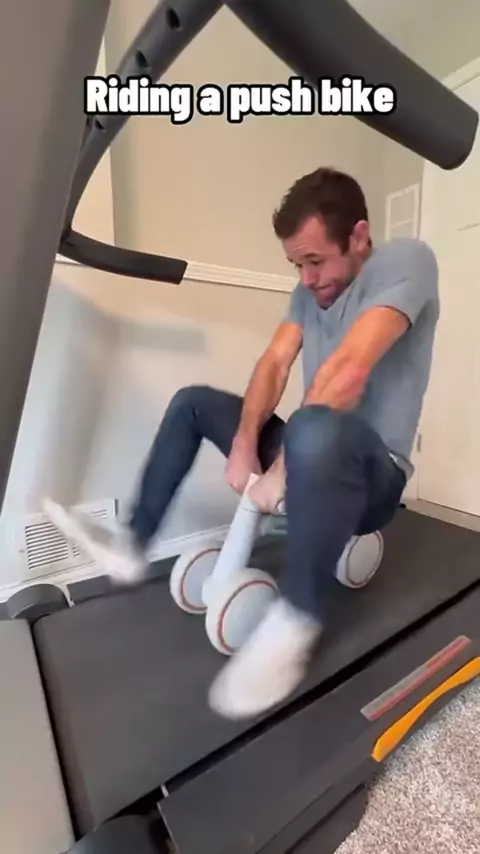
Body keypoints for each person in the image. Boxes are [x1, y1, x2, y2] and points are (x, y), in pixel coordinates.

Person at [44, 166, 439, 722]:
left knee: (312, 427)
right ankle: (133, 545)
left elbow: (349, 369)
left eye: (315, 261)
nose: (306, 278)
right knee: (193, 403)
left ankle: (296, 620)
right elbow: (275, 362)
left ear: (358, 236)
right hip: (311, 445)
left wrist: (280, 469)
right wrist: (245, 443)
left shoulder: (405, 261)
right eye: (296, 265)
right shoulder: (308, 293)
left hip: (374, 474)